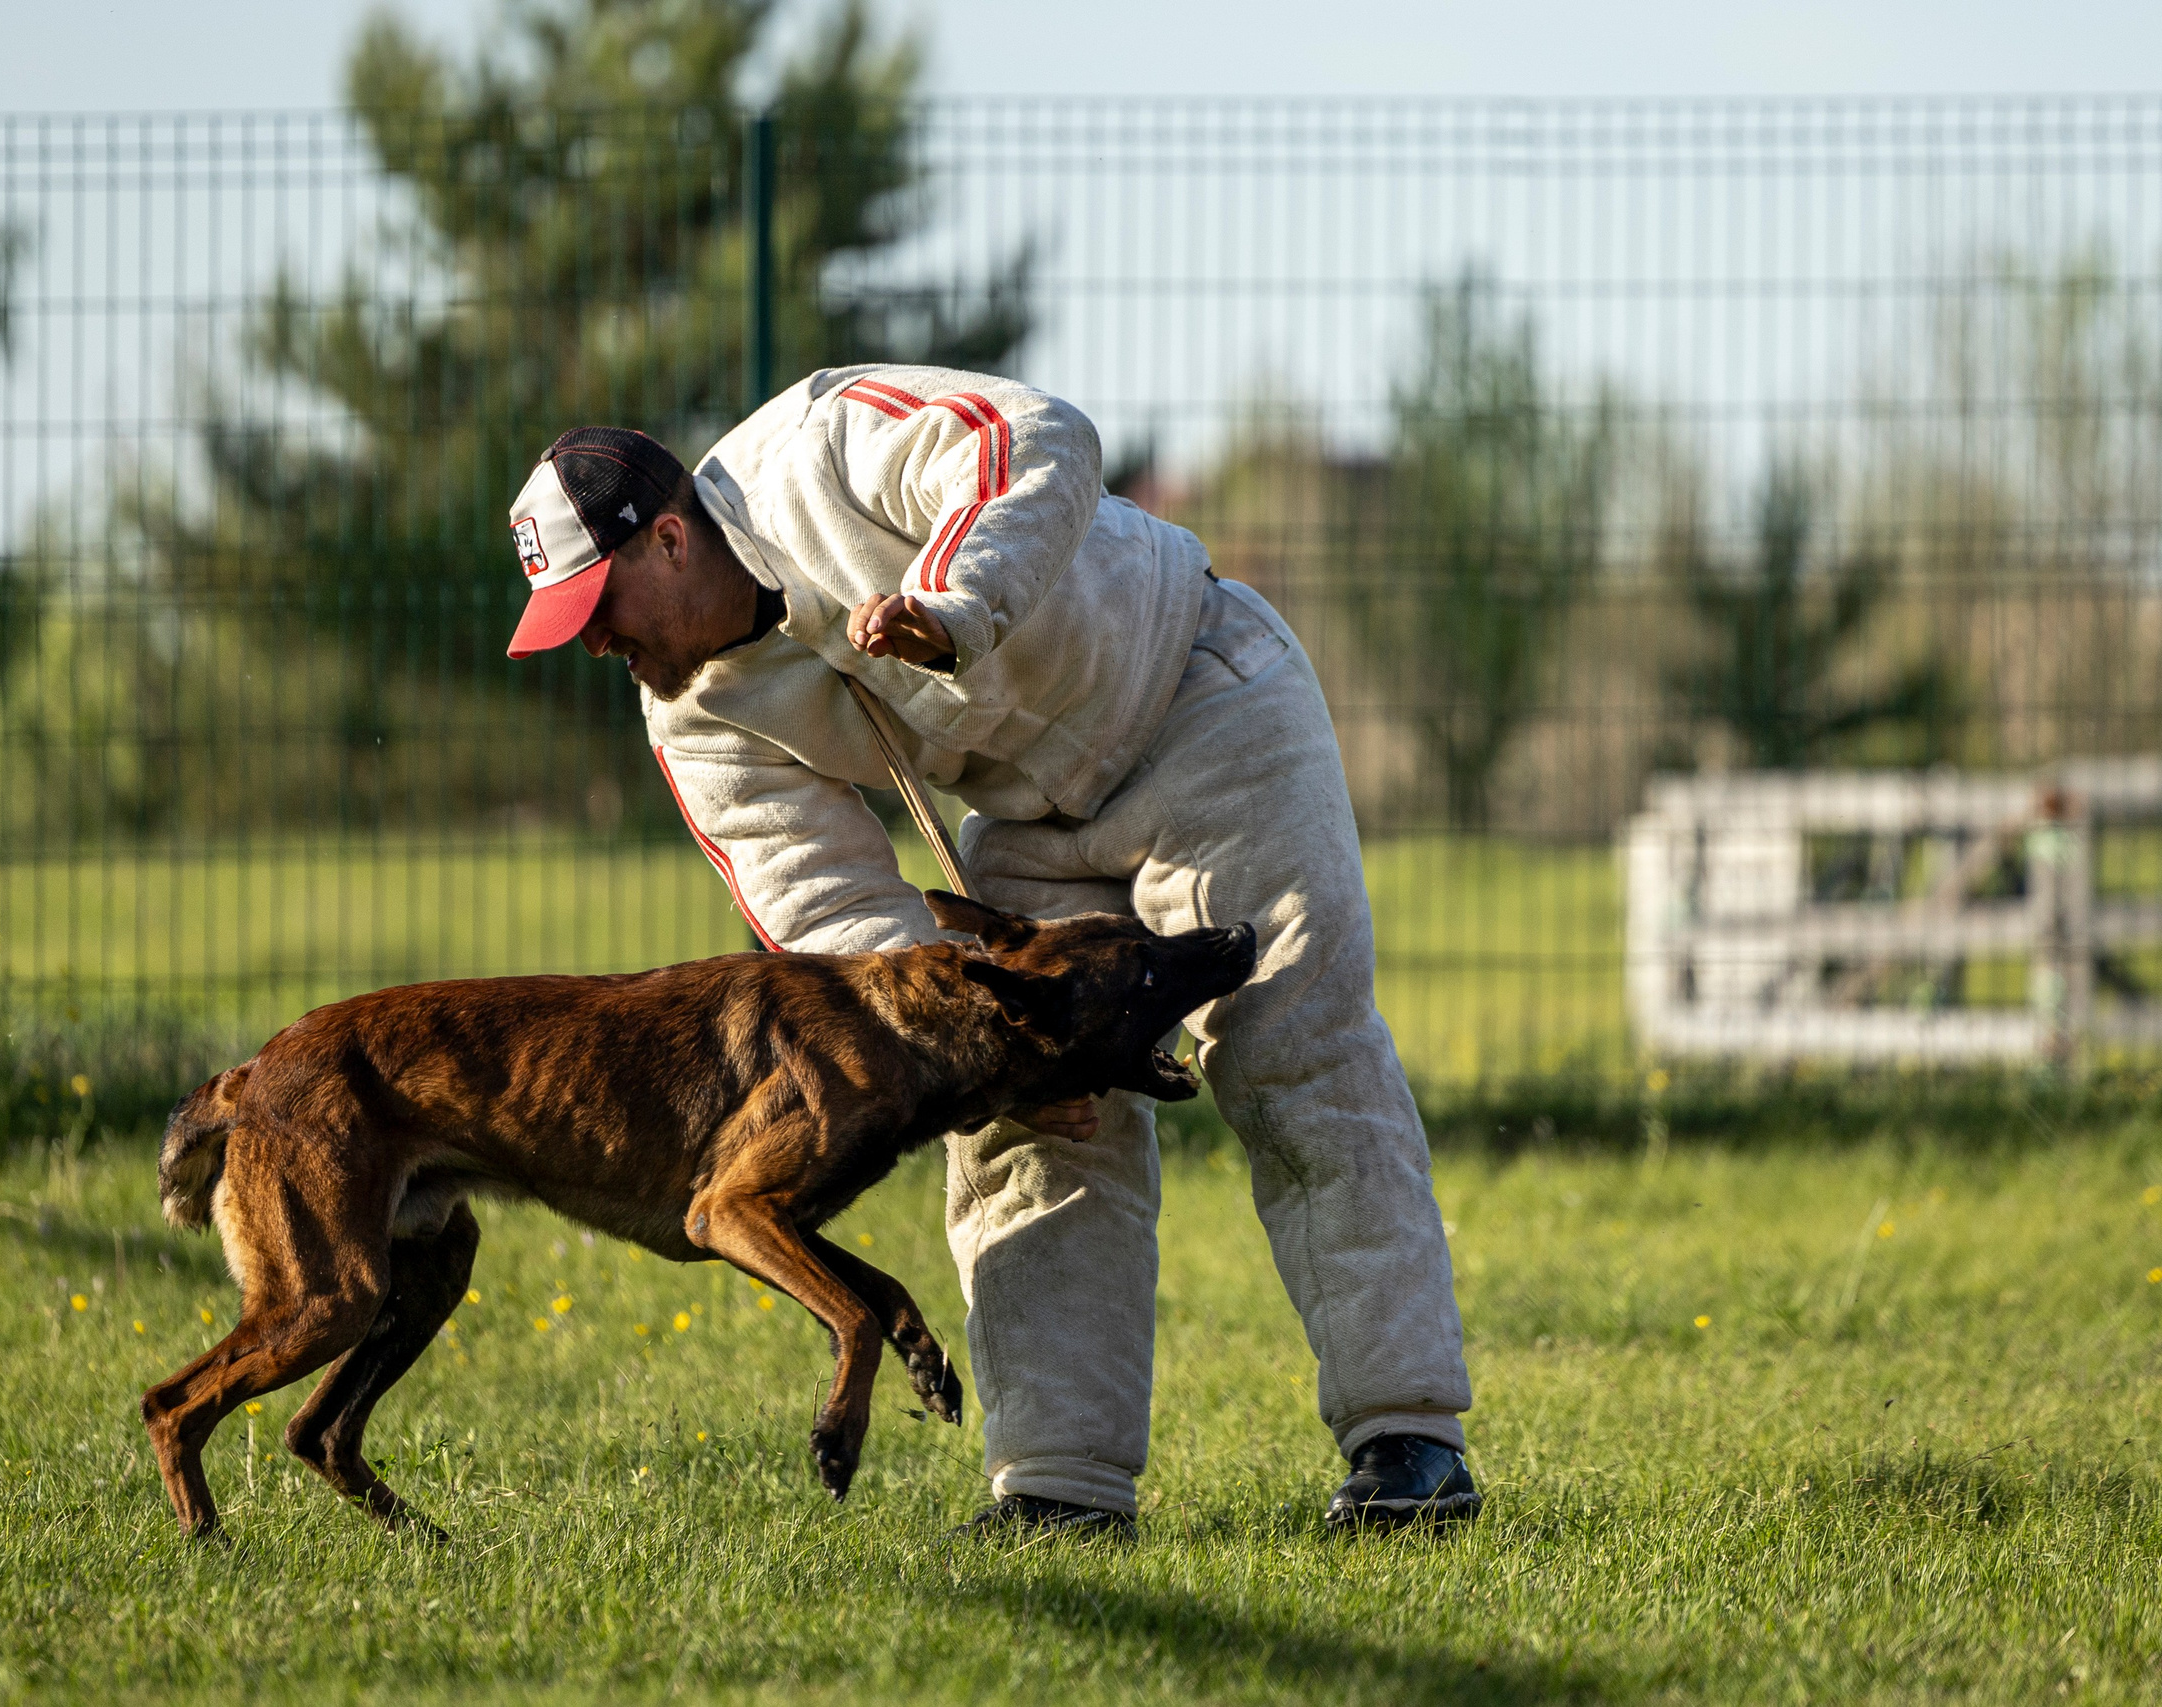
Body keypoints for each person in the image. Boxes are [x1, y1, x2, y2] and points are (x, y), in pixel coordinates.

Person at [501, 366, 1478, 1537]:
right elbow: (824, 911)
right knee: (1021, 1130)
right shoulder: (690, 711)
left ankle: (1410, 1448)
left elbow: (1036, 437)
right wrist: (972, 1049)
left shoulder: (817, 445)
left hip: (1203, 703)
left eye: (596, 608)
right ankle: (1060, 1491)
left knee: (1292, 1054)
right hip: (1025, 826)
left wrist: (958, 602)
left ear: (667, 539)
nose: (595, 646)